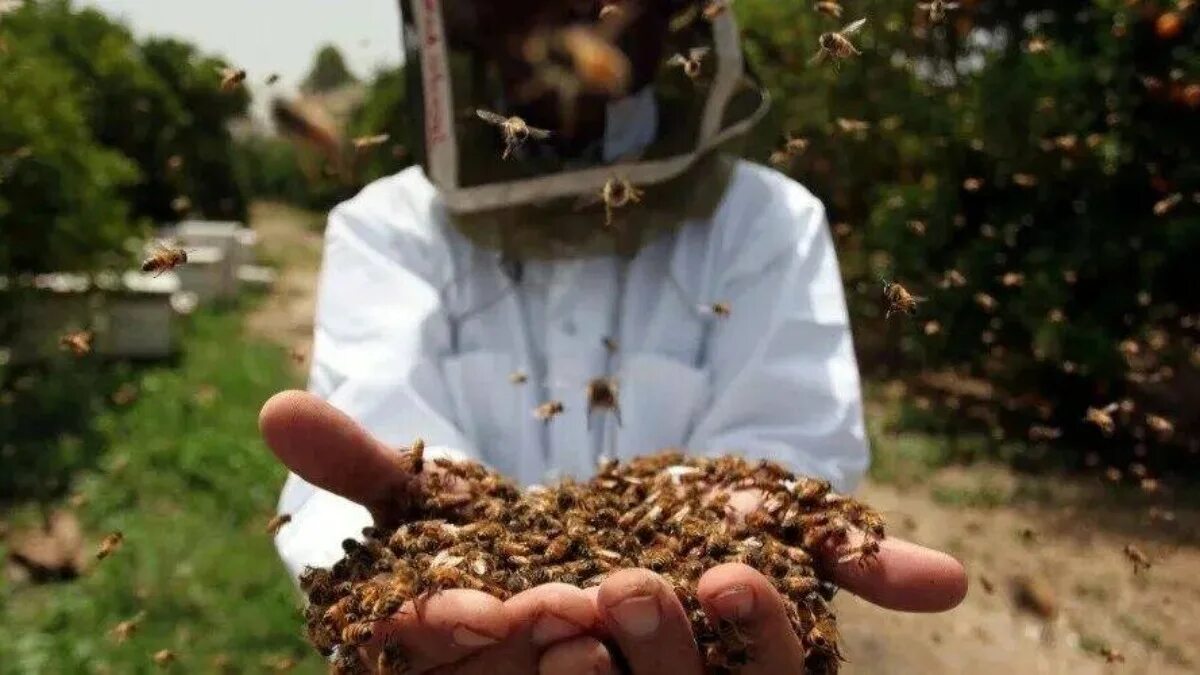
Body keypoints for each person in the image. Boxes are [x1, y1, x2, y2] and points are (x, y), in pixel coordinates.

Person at [261, 1, 968, 673]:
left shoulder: (767, 219)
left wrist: (736, 521)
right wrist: (430, 547)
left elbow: (790, 449)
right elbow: (363, 473)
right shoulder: (385, 228)